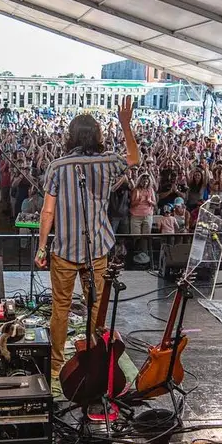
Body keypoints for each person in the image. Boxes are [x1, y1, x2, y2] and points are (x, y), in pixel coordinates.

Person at [35, 97, 140, 379]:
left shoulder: (57, 166)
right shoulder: (108, 162)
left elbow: (47, 211)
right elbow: (134, 158)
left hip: (65, 250)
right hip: (97, 249)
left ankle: (57, 366)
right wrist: (126, 125)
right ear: (97, 136)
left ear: (70, 137)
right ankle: (92, 359)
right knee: (96, 306)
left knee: (61, 308)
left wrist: (42, 247)